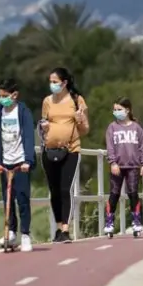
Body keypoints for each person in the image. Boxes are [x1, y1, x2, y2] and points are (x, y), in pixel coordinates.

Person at [39, 67, 89, 243]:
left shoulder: (77, 100)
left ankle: (66, 229)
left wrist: (79, 119)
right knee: (54, 190)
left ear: (65, 83)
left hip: (70, 150)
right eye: (50, 82)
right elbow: (42, 125)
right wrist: (43, 128)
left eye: (55, 82)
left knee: (64, 188)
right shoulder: (47, 101)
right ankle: (58, 228)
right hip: (49, 150)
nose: (52, 85)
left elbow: (84, 130)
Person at [0, 78, 36, 252]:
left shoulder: (23, 112)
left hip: (20, 161)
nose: (2, 99)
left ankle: (25, 234)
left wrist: (28, 161)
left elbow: (28, 138)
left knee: (23, 199)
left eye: (5, 96)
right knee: (7, 199)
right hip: (5, 162)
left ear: (14, 95)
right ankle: (10, 230)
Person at [104, 97, 143, 236]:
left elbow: (142, 147)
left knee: (133, 193)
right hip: (117, 166)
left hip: (133, 166)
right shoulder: (112, 127)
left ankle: (136, 222)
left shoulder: (137, 128)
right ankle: (109, 222)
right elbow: (110, 147)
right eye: (115, 110)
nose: (116, 112)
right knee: (114, 194)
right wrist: (112, 162)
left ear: (127, 110)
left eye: (119, 110)